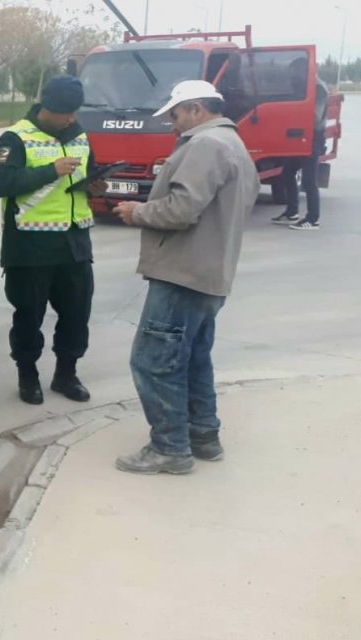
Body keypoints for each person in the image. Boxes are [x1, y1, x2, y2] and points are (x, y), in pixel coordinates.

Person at [112, 80, 259, 475]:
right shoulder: (234, 144)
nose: (172, 124)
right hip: (209, 273)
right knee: (192, 358)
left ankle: (170, 449)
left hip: (184, 274)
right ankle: (202, 437)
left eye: (175, 115)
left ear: (196, 109)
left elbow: (181, 210)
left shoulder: (205, 145)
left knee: (153, 361)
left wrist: (137, 212)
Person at [0, 75, 106, 406]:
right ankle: (28, 376)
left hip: (75, 243)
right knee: (29, 316)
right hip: (30, 246)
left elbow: (89, 171)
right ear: (45, 108)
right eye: (63, 113)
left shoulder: (80, 135)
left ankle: (66, 374)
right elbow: (2, 183)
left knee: (76, 314)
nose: (69, 118)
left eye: (73, 112)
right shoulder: (16, 137)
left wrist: (96, 186)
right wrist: (51, 170)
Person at [271, 79, 329, 230]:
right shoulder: (305, 85)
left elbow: (315, 116)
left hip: (312, 136)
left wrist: (293, 112)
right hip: (299, 135)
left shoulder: (318, 88)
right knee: (287, 173)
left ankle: (313, 218)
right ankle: (291, 212)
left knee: (309, 180)